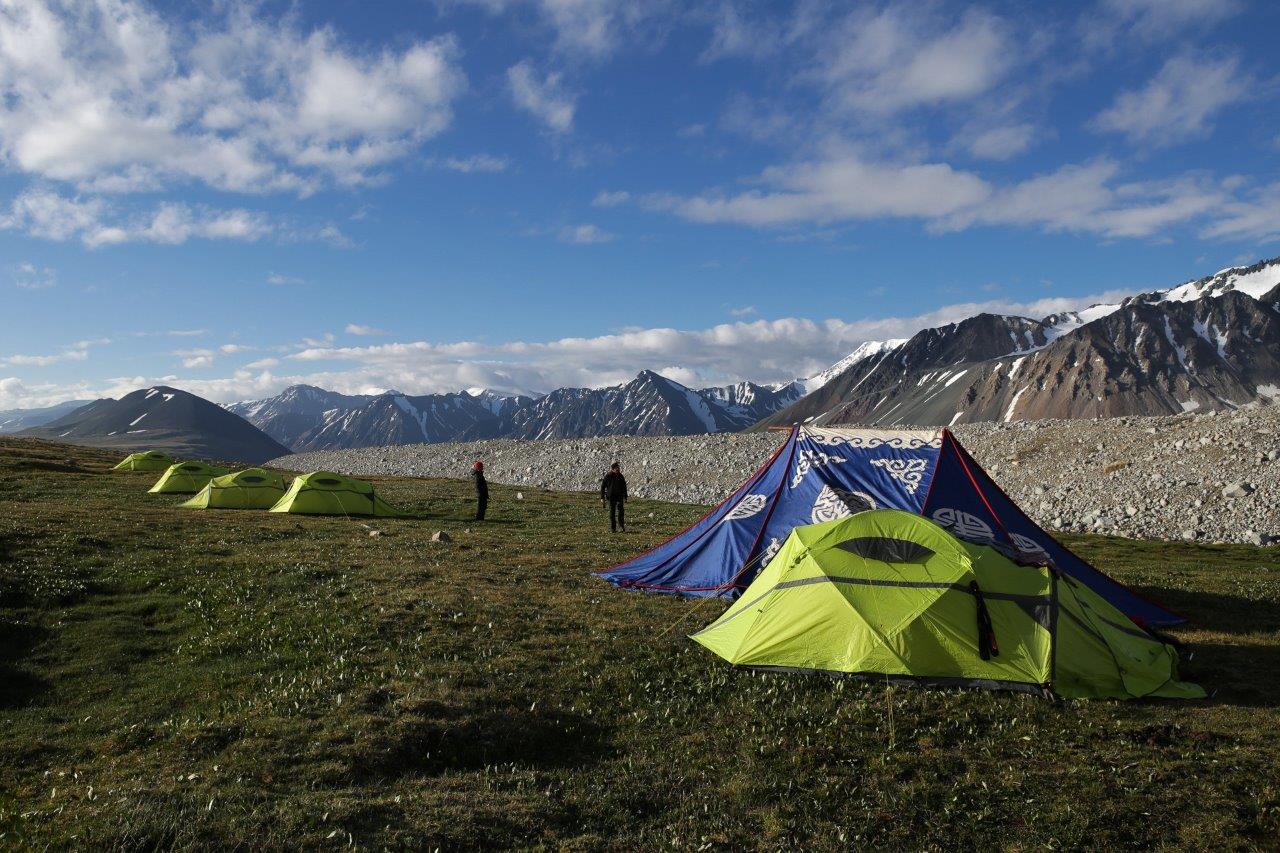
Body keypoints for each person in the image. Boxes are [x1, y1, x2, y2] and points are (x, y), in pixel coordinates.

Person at [600, 462, 627, 533]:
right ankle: (613, 528)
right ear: (612, 469)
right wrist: (602, 497)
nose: (618, 469)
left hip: (619, 497)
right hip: (611, 497)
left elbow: (624, 487)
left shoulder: (620, 476)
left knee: (621, 512)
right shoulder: (608, 476)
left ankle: (621, 527)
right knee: (612, 513)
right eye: (617, 468)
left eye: (618, 468)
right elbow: (603, 487)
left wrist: (625, 496)